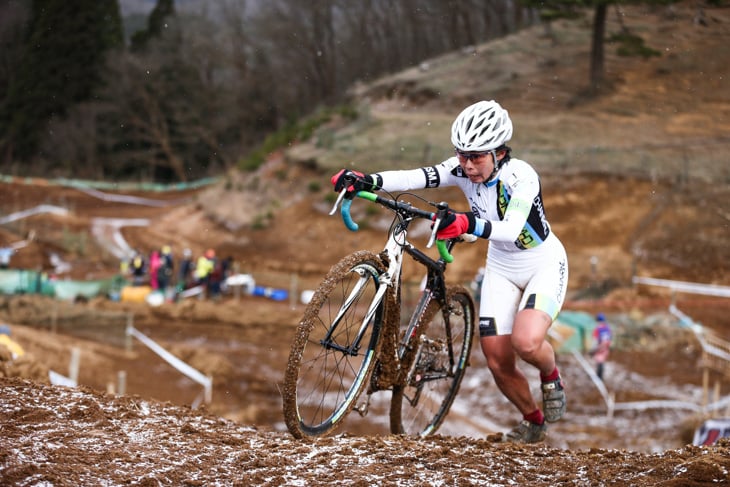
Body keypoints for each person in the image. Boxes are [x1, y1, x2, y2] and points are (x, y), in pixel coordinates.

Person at [331, 100, 569, 443]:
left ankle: (551, 374)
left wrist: (465, 221)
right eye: (461, 155)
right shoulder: (461, 169)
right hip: (502, 266)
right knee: (497, 359)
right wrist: (367, 179)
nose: (468, 165)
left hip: (542, 263)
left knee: (526, 343)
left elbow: (513, 228)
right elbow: (418, 176)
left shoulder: (522, 176)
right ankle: (533, 420)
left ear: (499, 152)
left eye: (477, 157)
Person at [590, 313, 612, 381]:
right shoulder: (607, 328)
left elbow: (595, 340)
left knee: (599, 361)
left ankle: (599, 377)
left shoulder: (597, 329)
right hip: (606, 347)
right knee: (602, 360)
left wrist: (593, 349)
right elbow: (610, 338)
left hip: (599, 347)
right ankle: (600, 376)